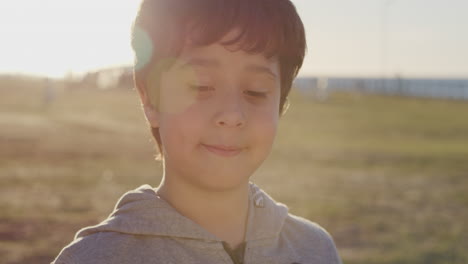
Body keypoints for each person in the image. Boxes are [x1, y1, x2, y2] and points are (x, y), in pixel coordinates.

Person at [52, 0, 342, 263]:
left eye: (256, 91)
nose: (232, 115)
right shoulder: (97, 258)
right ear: (150, 99)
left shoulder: (314, 249)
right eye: (201, 86)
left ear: (281, 104)